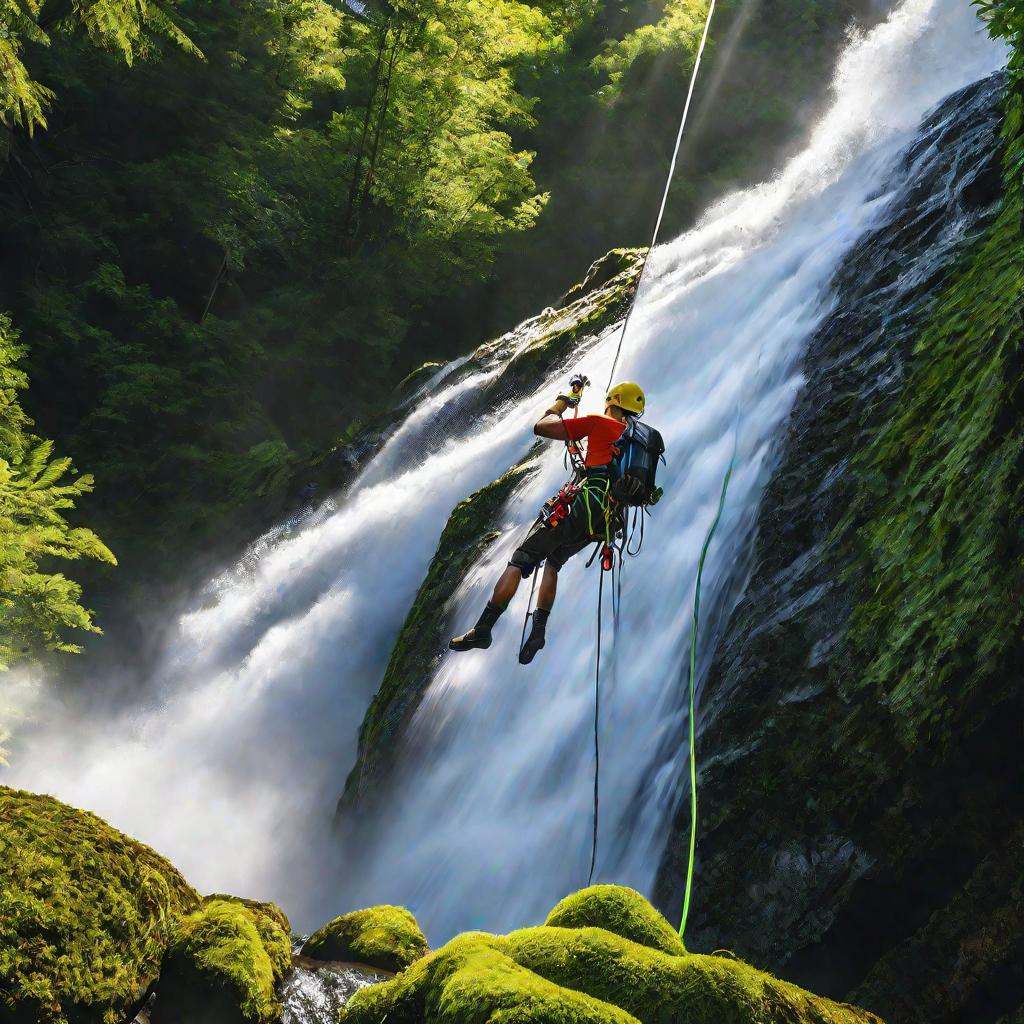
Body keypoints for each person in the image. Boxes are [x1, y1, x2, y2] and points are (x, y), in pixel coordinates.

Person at [449, 377, 647, 664]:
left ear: (613, 403)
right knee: (553, 561)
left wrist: (565, 399)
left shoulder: (599, 423)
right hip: (608, 521)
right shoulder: (635, 443)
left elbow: (541, 426)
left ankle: (483, 629)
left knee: (521, 559)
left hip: (585, 505)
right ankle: (539, 630)